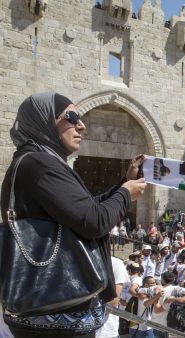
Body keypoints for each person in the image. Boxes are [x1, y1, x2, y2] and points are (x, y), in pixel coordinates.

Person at [0, 93, 146, 337]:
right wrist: (124, 194)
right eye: (71, 116)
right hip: (57, 315)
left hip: (50, 311)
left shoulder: (37, 161)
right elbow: (93, 221)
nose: (81, 124)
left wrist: (124, 183)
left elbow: (83, 209)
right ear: (44, 119)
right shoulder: (40, 164)